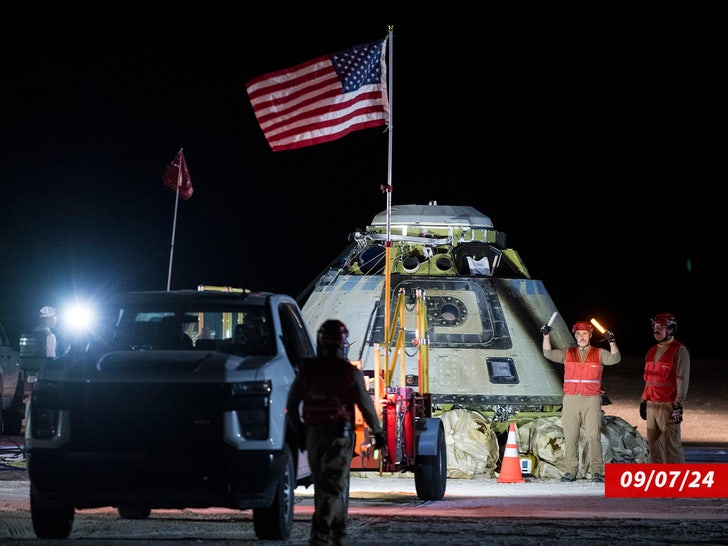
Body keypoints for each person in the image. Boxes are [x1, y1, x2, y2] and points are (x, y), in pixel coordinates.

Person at [287, 319, 385, 546]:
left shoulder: (307, 370)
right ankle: (321, 536)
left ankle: (338, 535)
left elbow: (292, 405)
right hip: (339, 437)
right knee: (334, 486)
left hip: (312, 435)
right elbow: (366, 406)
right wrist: (378, 433)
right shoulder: (349, 372)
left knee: (325, 485)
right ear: (343, 344)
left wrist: (300, 432)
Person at [541, 319, 621, 483]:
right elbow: (548, 353)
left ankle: (597, 471)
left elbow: (615, 359)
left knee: (593, 436)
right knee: (570, 437)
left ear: (590, 335)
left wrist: (612, 341)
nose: (581, 337)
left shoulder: (599, 353)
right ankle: (570, 471)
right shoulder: (567, 352)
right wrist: (546, 335)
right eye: (578, 333)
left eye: (585, 333)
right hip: (570, 400)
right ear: (575, 335)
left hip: (591, 400)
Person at [640, 312, 690, 464]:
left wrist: (678, 406)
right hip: (651, 406)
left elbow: (682, 379)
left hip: (668, 405)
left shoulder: (679, 350)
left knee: (671, 446)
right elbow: (648, 381)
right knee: (653, 447)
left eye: (660, 327)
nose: (656, 329)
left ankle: (676, 483)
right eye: (655, 326)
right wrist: (643, 401)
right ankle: (657, 482)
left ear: (670, 329)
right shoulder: (651, 351)